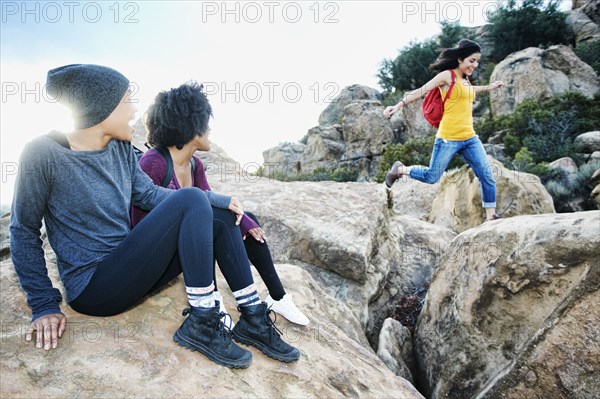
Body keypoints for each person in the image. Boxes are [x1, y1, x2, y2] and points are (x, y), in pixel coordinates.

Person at [9, 64, 298, 368]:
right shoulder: (42, 153)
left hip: (132, 269)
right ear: (100, 107)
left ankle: (252, 317)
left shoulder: (119, 147)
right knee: (192, 198)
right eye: (126, 101)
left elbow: (148, 195)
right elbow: (23, 230)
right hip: (95, 288)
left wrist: (221, 200)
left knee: (220, 216)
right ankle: (202, 321)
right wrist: (43, 304)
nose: (134, 110)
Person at [131, 81, 309, 326]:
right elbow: (140, 223)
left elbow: (210, 200)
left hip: (186, 245)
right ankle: (213, 298)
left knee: (248, 221)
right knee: (212, 223)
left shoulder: (195, 164)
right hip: (155, 254)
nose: (210, 128)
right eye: (205, 122)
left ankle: (277, 297)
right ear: (190, 125)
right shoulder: (154, 162)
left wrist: (246, 222)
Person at [383, 39, 505, 222]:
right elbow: (420, 91)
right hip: (448, 138)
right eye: (471, 61)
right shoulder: (447, 76)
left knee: (486, 175)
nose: (475, 65)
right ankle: (400, 169)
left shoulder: (465, 79)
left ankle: (491, 216)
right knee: (433, 176)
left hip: (470, 138)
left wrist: (489, 87)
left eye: (477, 61)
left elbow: (470, 91)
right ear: (460, 59)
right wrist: (398, 104)